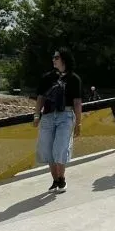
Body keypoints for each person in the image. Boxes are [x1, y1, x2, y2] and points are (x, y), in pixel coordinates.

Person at [34, 48, 82, 194]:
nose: (53, 60)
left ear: (64, 59)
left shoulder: (74, 79)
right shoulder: (47, 77)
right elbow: (40, 98)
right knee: (47, 149)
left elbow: (77, 102)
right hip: (48, 115)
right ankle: (55, 180)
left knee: (60, 147)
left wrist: (78, 122)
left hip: (65, 115)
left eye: (56, 57)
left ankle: (61, 179)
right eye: (53, 57)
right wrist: (37, 115)